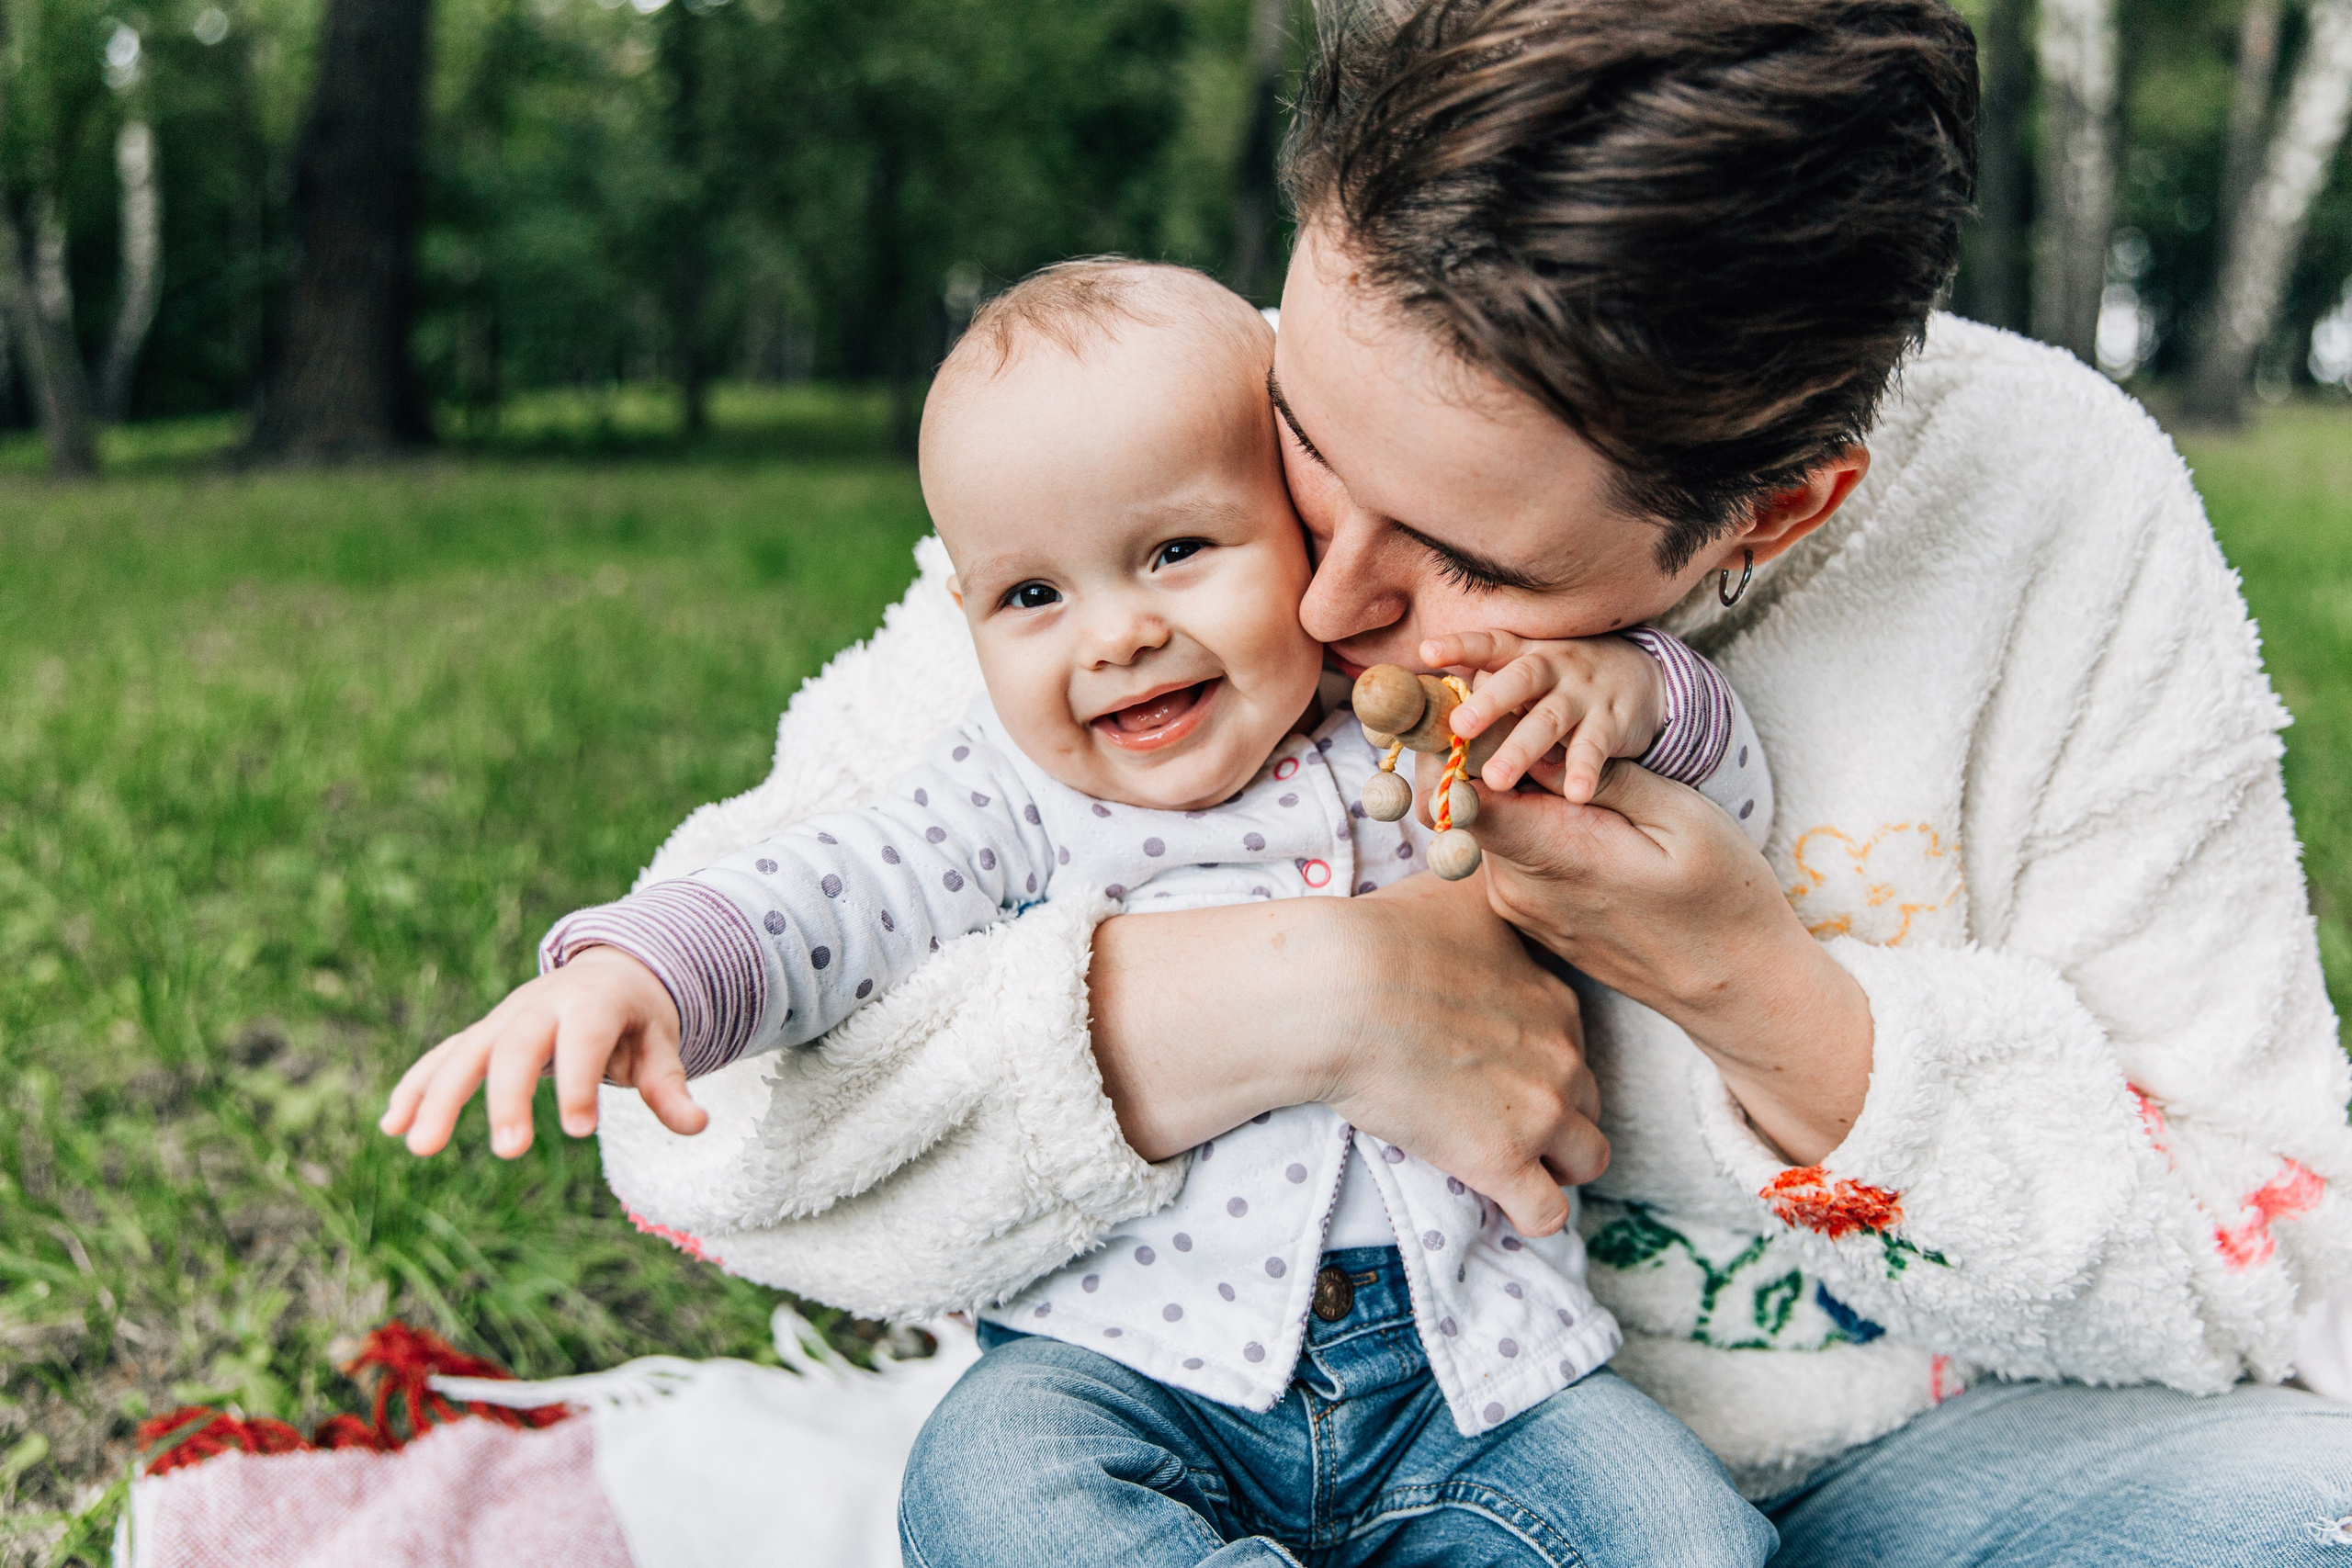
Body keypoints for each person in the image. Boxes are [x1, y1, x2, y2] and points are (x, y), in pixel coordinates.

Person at [440, 0, 2352, 1561]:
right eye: (1305, 444)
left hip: (1798, 1474)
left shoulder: (2051, 512)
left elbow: (2284, 1262)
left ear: (1776, 506)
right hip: (1196, 1401)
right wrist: (1289, 996)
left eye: (1472, 563)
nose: (1331, 599)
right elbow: (695, 1132)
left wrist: (1757, 999)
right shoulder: (1150, 504)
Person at [386, 256, 1781, 1564]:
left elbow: (1720, 804)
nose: (1114, 634)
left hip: (1482, 1375)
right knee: (985, 1487)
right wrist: (643, 970)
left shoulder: (1421, 725)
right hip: (1128, 1366)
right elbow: (827, 893)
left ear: (1306, 533)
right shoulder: (1010, 792)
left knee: (1692, 1537)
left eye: (1177, 550)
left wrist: (1639, 696)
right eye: (1033, 594)